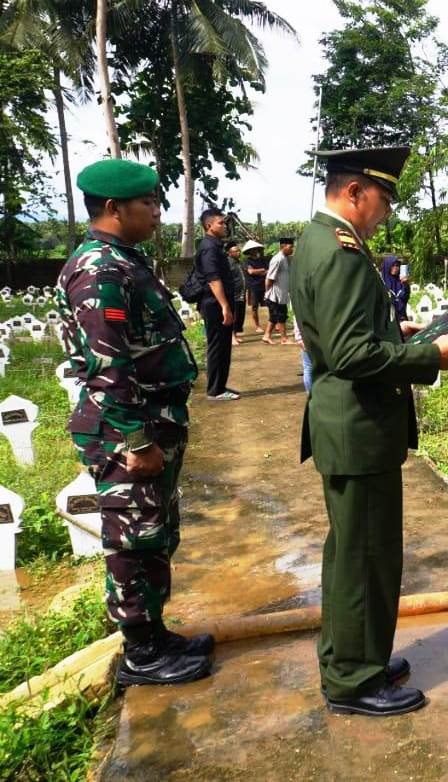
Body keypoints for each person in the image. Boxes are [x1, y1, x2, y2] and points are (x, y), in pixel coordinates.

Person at [291, 146, 448, 717]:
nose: (387, 212)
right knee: (363, 559)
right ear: (354, 193)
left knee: (353, 555)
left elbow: (347, 331)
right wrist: (428, 358)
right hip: (357, 426)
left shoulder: (316, 241)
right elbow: (348, 353)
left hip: (351, 425)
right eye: (384, 199)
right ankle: (353, 680)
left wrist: (398, 331)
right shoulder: (340, 252)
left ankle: (353, 656)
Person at [56, 158, 211, 687]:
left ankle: (156, 633)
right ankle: (141, 652)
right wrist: (136, 439)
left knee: (154, 531)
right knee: (131, 536)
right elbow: (108, 363)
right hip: (128, 427)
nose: (157, 211)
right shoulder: (100, 269)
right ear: (113, 208)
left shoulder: (125, 260)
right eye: (149, 203)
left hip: (154, 418)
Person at [195, 207, 238, 399]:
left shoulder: (216, 245)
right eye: (221, 222)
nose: (225, 226)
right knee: (217, 346)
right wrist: (224, 306)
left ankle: (220, 386)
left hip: (219, 304)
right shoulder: (208, 247)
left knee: (223, 345)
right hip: (214, 305)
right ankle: (215, 390)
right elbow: (213, 278)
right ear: (209, 225)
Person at [263, 237, 292, 345]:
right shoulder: (278, 259)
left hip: (281, 294)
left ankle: (266, 336)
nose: (292, 249)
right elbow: (270, 278)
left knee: (275, 317)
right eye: (290, 247)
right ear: (282, 247)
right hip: (275, 294)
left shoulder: (285, 258)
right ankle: (284, 338)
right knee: (280, 316)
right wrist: (267, 293)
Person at [244, 239, 273, 334]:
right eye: (253, 250)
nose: (256, 251)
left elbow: (267, 271)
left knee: (270, 304)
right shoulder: (247, 261)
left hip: (264, 286)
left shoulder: (263, 260)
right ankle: (257, 326)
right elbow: (251, 272)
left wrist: (259, 271)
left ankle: (273, 323)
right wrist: (262, 270)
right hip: (253, 287)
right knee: (254, 307)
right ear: (250, 251)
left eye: (256, 249)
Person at [226, 240, 247, 345]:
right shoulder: (228, 263)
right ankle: (231, 337)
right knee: (233, 316)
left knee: (239, 315)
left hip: (241, 294)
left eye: (239, 251)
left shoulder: (239, 262)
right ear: (229, 253)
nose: (238, 252)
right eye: (236, 251)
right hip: (234, 294)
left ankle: (235, 335)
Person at [381, 256, 409, 322]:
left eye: (397, 266)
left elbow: (404, 298)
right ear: (387, 266)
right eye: (392, 265)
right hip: (388, 320)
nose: (395, 268)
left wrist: (406, 285)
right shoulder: (381, 283)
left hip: (401, 318)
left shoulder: (401, 283)